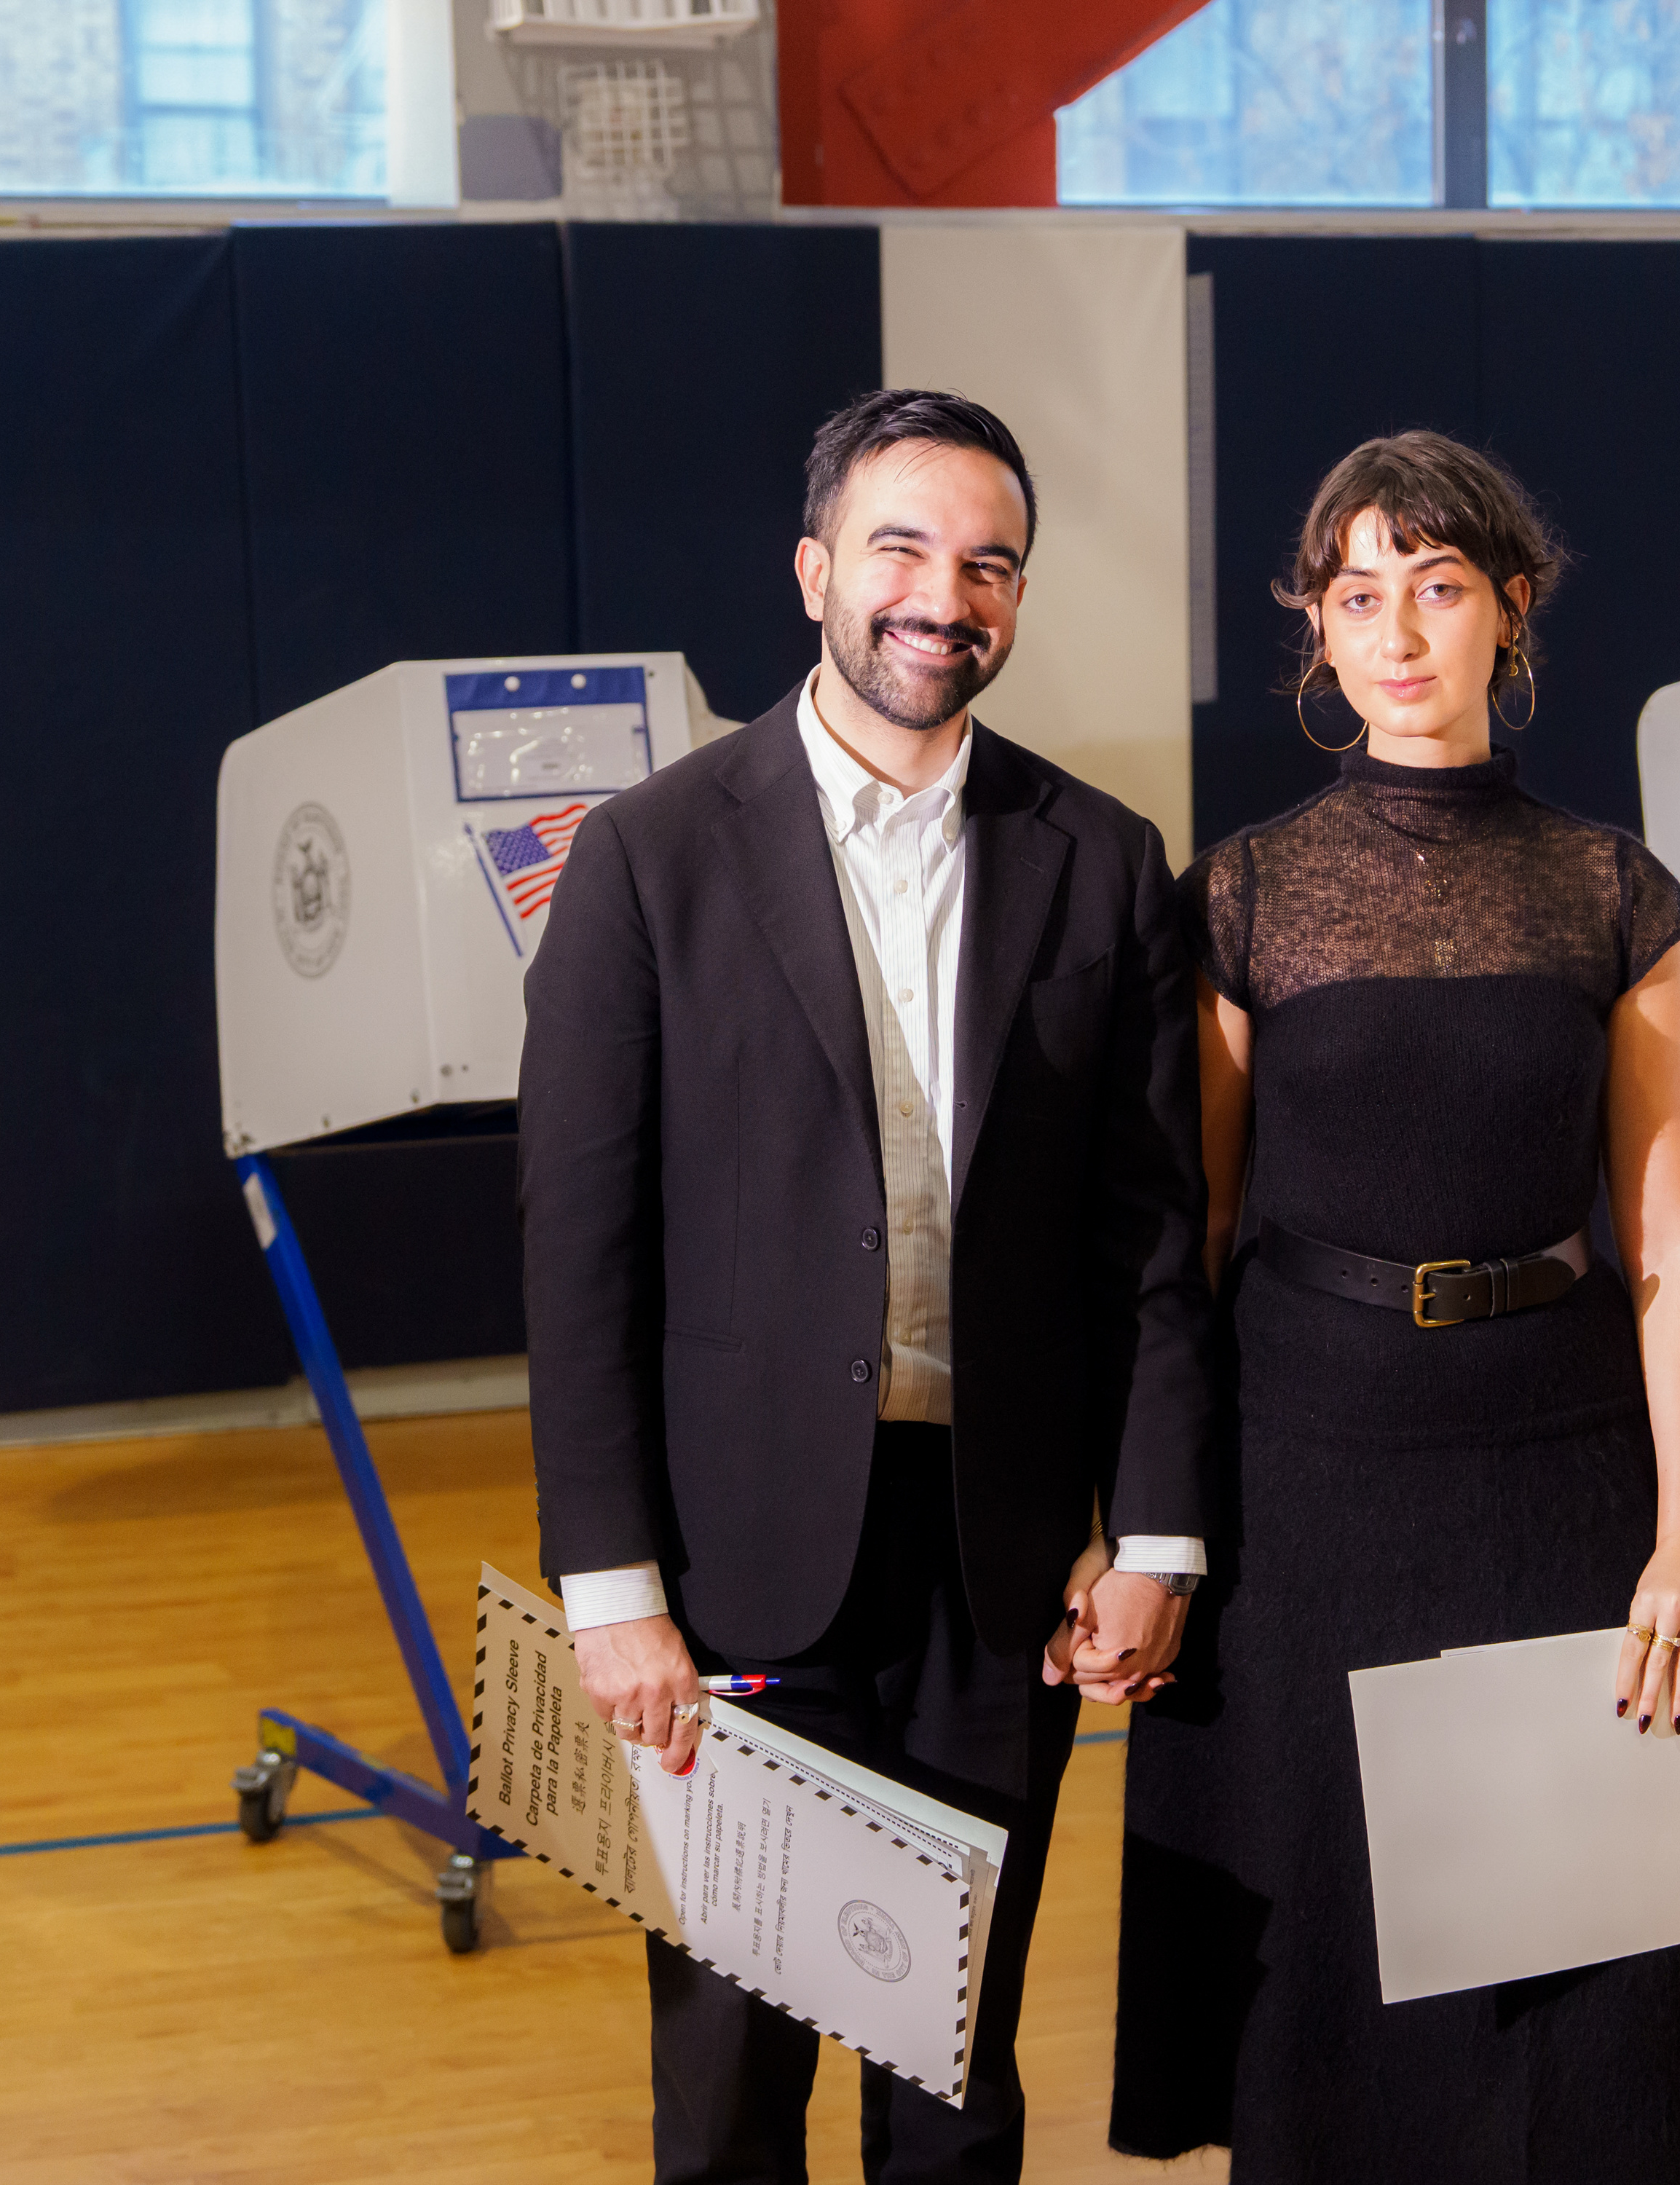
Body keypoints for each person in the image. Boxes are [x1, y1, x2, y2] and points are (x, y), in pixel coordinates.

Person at [1110, 431, 1680, 2181]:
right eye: (1355, 595)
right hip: (1306, 1477)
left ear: (1508, 613)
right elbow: (1190, 1237)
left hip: (1556, 1466)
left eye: (1435, 589)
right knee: (1336, 1953)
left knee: (1595, 1955)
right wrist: (1146, 1528)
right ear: (1315, 629)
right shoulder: (1244, 893)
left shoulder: (1613, 894)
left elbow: (1670, 1241)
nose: (1396, 631)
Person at [518, 387, 1212, 2185]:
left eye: (988, 564)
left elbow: (1146, 1234)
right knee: (731, 2075)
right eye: (901, 548)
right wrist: (611, 1583)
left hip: (995, 1568)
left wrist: (1150, 1536)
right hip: (737, 1559)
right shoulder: (648, 858)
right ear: (816, 566)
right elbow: (578, 1254)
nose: (942, 594)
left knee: (954, 2069)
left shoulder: (1106, 863)